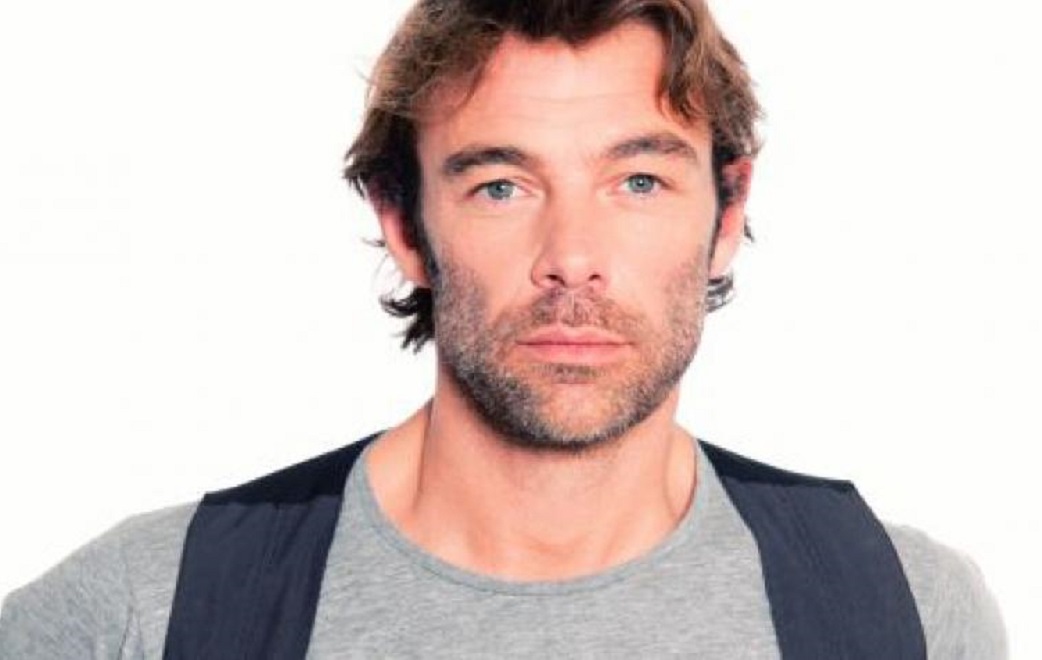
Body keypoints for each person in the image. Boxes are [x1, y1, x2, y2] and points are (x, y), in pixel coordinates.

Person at [0, 0, 1007, 658]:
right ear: (404, 224)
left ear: (726, 214)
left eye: (638, 180)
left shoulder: (905, 608)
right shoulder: (147, 610)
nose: (572, 255)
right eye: (501, 185)